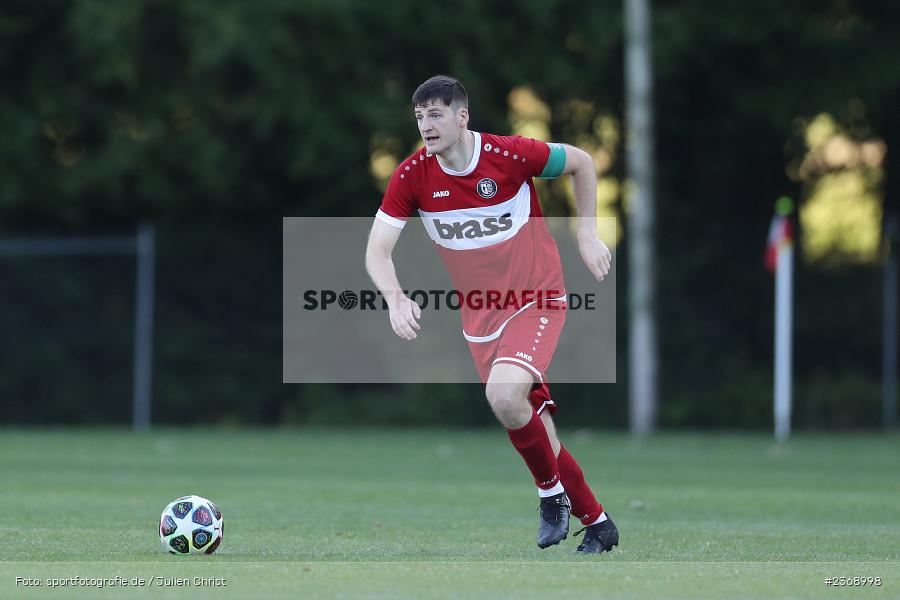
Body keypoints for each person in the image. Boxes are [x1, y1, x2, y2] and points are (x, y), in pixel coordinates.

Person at [365, 75, 618, 553]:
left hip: (537, 298)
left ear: (462, 116)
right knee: (535, 428)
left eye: (435, 114)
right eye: (419, 117)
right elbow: (377, 250)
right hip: (481, 319)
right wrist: (395, 298)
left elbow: (582, 163)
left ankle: (551, 497)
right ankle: (598, 523)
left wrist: (587, 233)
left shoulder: (510, 154)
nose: (426, 125)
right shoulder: (412, 176)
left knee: (502, 395)